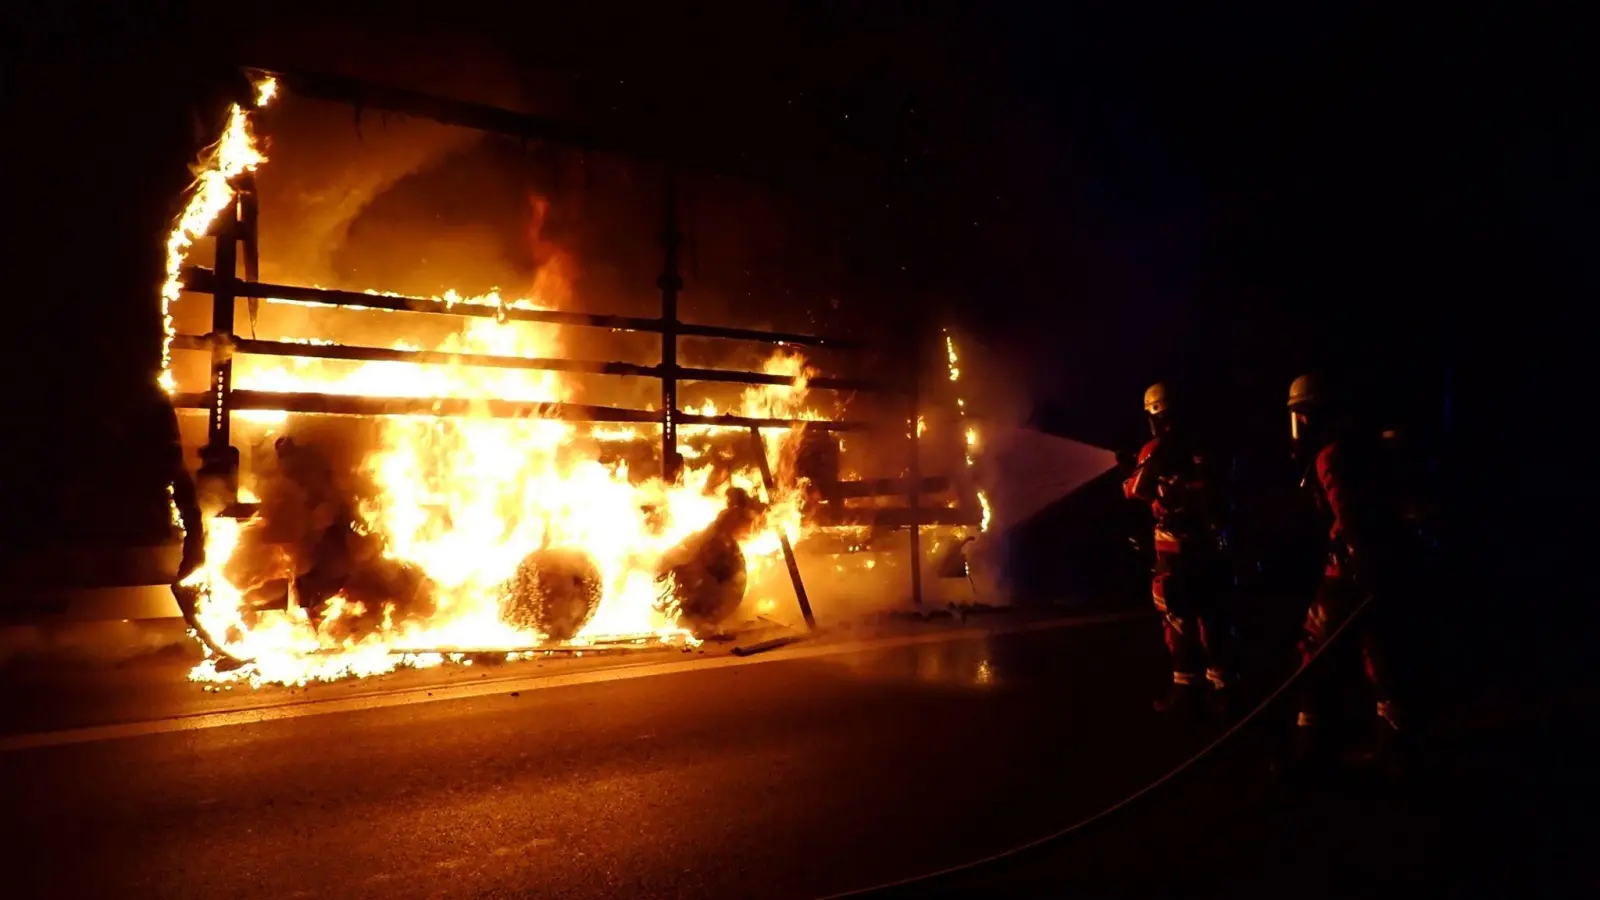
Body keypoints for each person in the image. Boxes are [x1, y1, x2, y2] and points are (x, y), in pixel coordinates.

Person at [1286, 373, 1422, 764]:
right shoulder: (1360, 447)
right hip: (1378, 563)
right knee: (1377, 648)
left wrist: (1358, 562)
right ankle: (1393, 733)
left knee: (1313, 646)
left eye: (1302, 415)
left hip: (1350, 569)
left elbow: (1347, 515)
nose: (1300, 425)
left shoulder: (1329, 456)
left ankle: (1310, 738)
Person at [1123, 382, 1237, 713]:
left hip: (1174, 551)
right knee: (1212, 615)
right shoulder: (1207, 446)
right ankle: (1222, 686)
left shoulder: (1155, 449)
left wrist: (1127, 473)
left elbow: (1136, 489)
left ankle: (1186, 686)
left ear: (1155, 415)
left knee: (1176, 617)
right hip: (1210, 546)